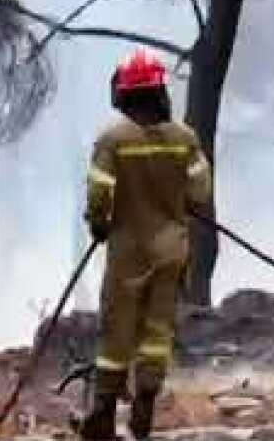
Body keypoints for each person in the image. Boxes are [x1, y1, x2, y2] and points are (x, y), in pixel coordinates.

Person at [80, 48, 212, 441]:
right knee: (157, 333)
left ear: (123, 93)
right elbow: (200, 192)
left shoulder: (112, 139)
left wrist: (98, 225)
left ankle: (102, 414)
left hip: (128, 253)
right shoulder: (184, 138)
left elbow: (98, 194)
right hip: (172, 250)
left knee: (116, 331)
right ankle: (145, 407)